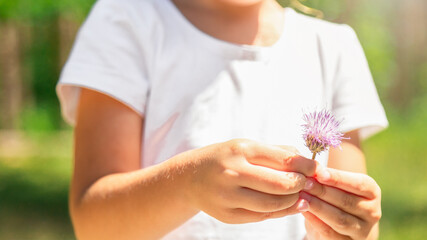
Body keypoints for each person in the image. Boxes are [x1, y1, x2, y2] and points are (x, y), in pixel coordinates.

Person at [56, 0, 388, 239]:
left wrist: (355, 227)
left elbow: (353, 219)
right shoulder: (125, 20)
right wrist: (188, 186)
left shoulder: (333, 46)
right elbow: (93, 225)